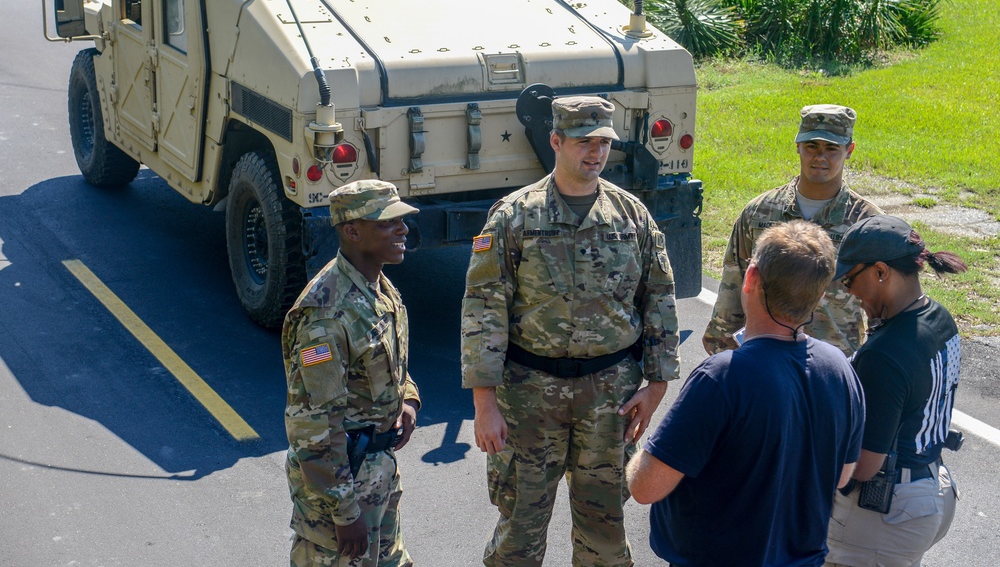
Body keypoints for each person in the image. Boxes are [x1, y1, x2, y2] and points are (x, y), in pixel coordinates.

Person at [461, 95, 679, 567]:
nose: (596, 153)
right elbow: (484, 308)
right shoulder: (514, 216)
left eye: (603, 142)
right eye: (584, 141)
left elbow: (658, 298)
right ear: (556, 141)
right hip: (528, 396)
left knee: (605, 530)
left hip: (610, 394)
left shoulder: (632, 216)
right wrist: (484, 404)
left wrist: (657, 386)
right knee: (519, 528)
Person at [627, 220, 866, 567]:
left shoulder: (722, 378)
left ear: (751, 277)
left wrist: (637, 448)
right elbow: (841, 475)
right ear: (820, 293)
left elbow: (645, 487)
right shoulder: (840, 369)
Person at [282, 180, 422, 567]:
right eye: (387, 223)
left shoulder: (378, 288)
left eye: (402, 221)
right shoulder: (325, 314)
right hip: (340, 490)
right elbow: (314, 426)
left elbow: (388, 362)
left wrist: (407, 398)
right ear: (353, 231)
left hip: (376, 476)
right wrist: (344, 513)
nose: (402, 230)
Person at [825, 215, 966, 567]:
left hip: (882, 516)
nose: (848, 291)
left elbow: (865, 466)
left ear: (881, 272)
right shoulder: (939, 318)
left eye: (849, 278)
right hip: (931, 488)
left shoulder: (884, 354)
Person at [703, 104, 883, 357]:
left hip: (835, 362)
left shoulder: (866, 222)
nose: (820, 157)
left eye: (831, 148)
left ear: (849, 150)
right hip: (765, 359)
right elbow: (734, 284)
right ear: (798, 146)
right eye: (812, 146)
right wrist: (723, 351)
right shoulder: (759, 213)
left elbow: (884, 304)